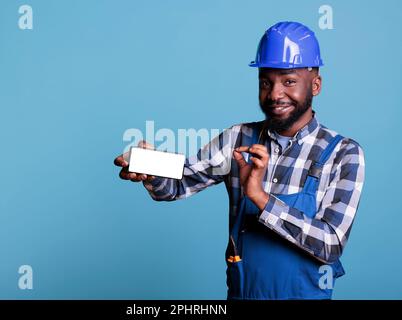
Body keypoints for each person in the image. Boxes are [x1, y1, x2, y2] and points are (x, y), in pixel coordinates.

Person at [113, 21, 365, 300]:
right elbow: (179, 182)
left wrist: (261, 198)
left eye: (289, 81)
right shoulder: (239, 138)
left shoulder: (343, 154)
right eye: (266, 82)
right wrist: (151, 168)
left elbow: (330, 244)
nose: (275, 94)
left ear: (315, 84)